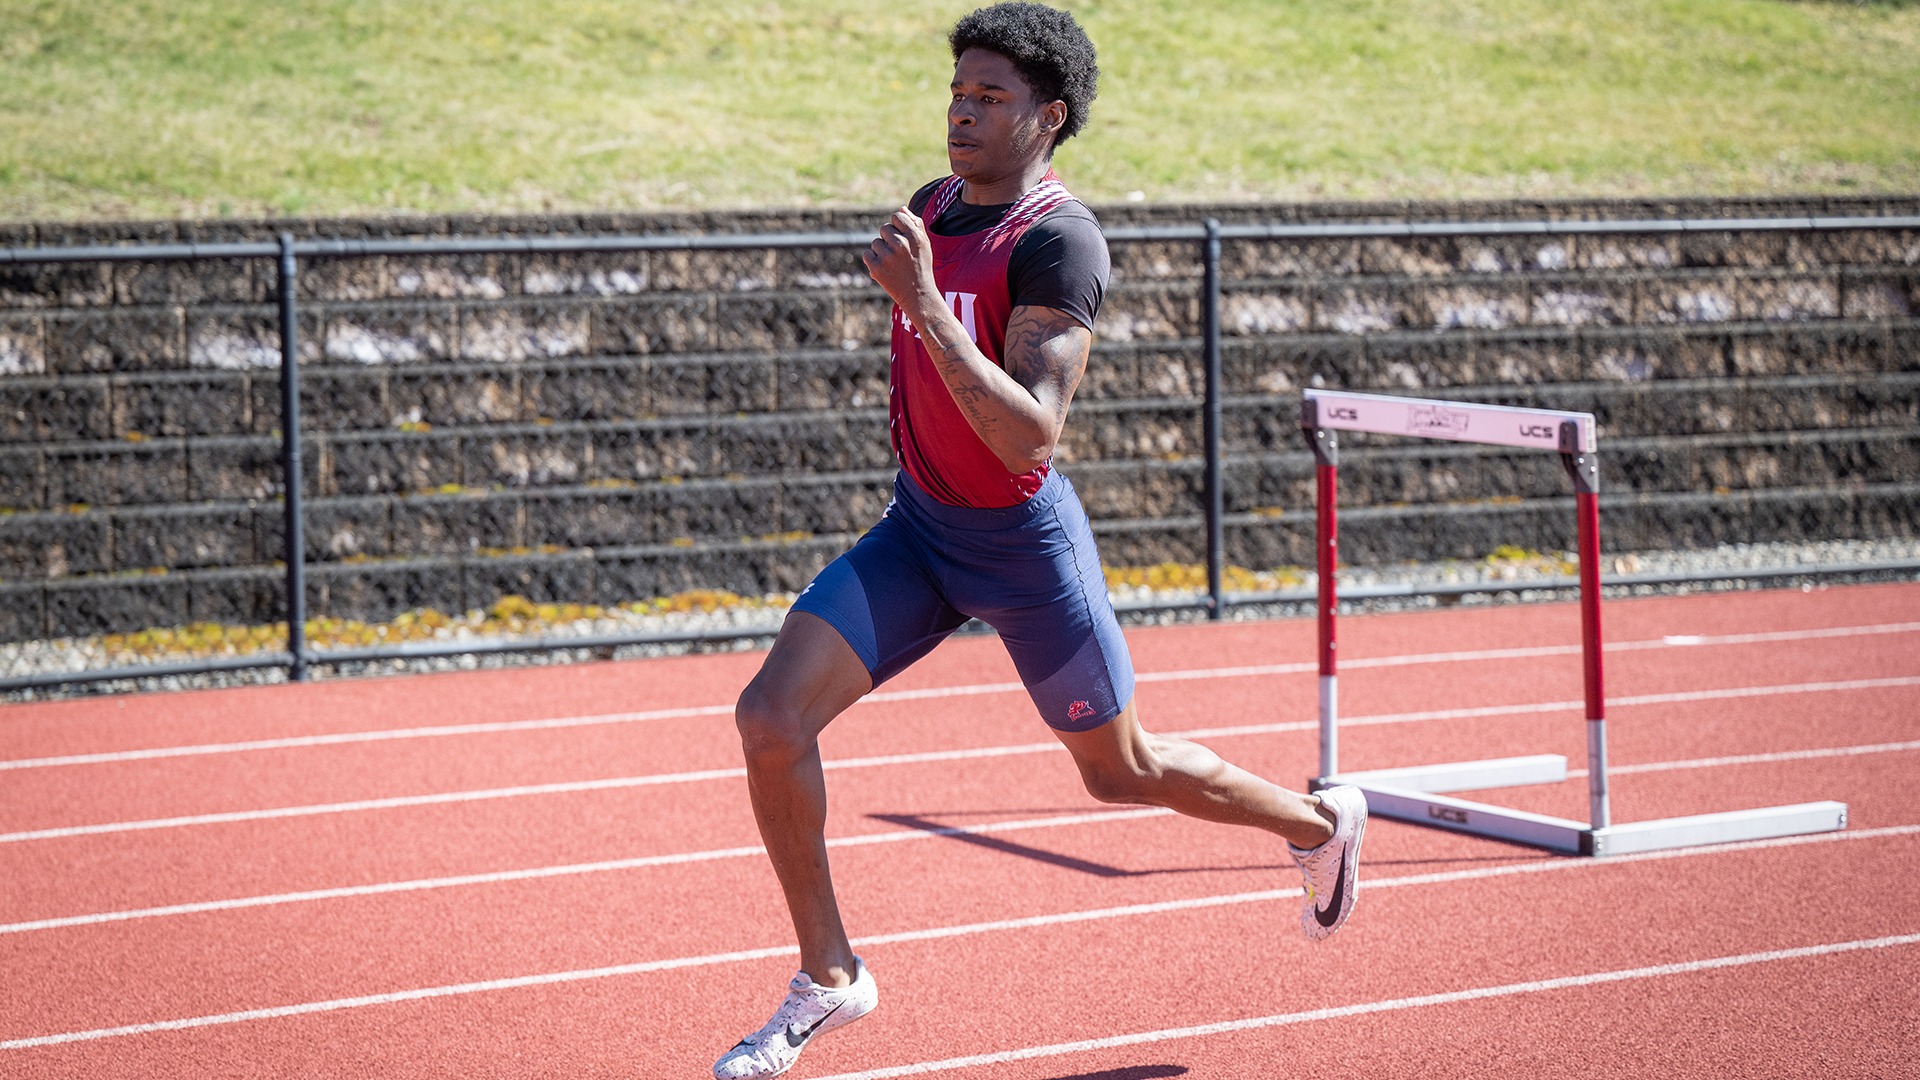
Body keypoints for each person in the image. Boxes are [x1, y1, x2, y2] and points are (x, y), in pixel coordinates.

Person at [713, 5, 1367, 1077]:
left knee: (1121, 773)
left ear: (1049, 118)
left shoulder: (1061, 241)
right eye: (957, 93)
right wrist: (923, 296)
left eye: (991, 98)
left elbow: (1030, 435)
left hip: (1020, 543)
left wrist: (922, 301)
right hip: (921, 531)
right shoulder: (934, 206)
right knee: (769, 717)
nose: (962, 113)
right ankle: (829, 979)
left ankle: (1316, 825)